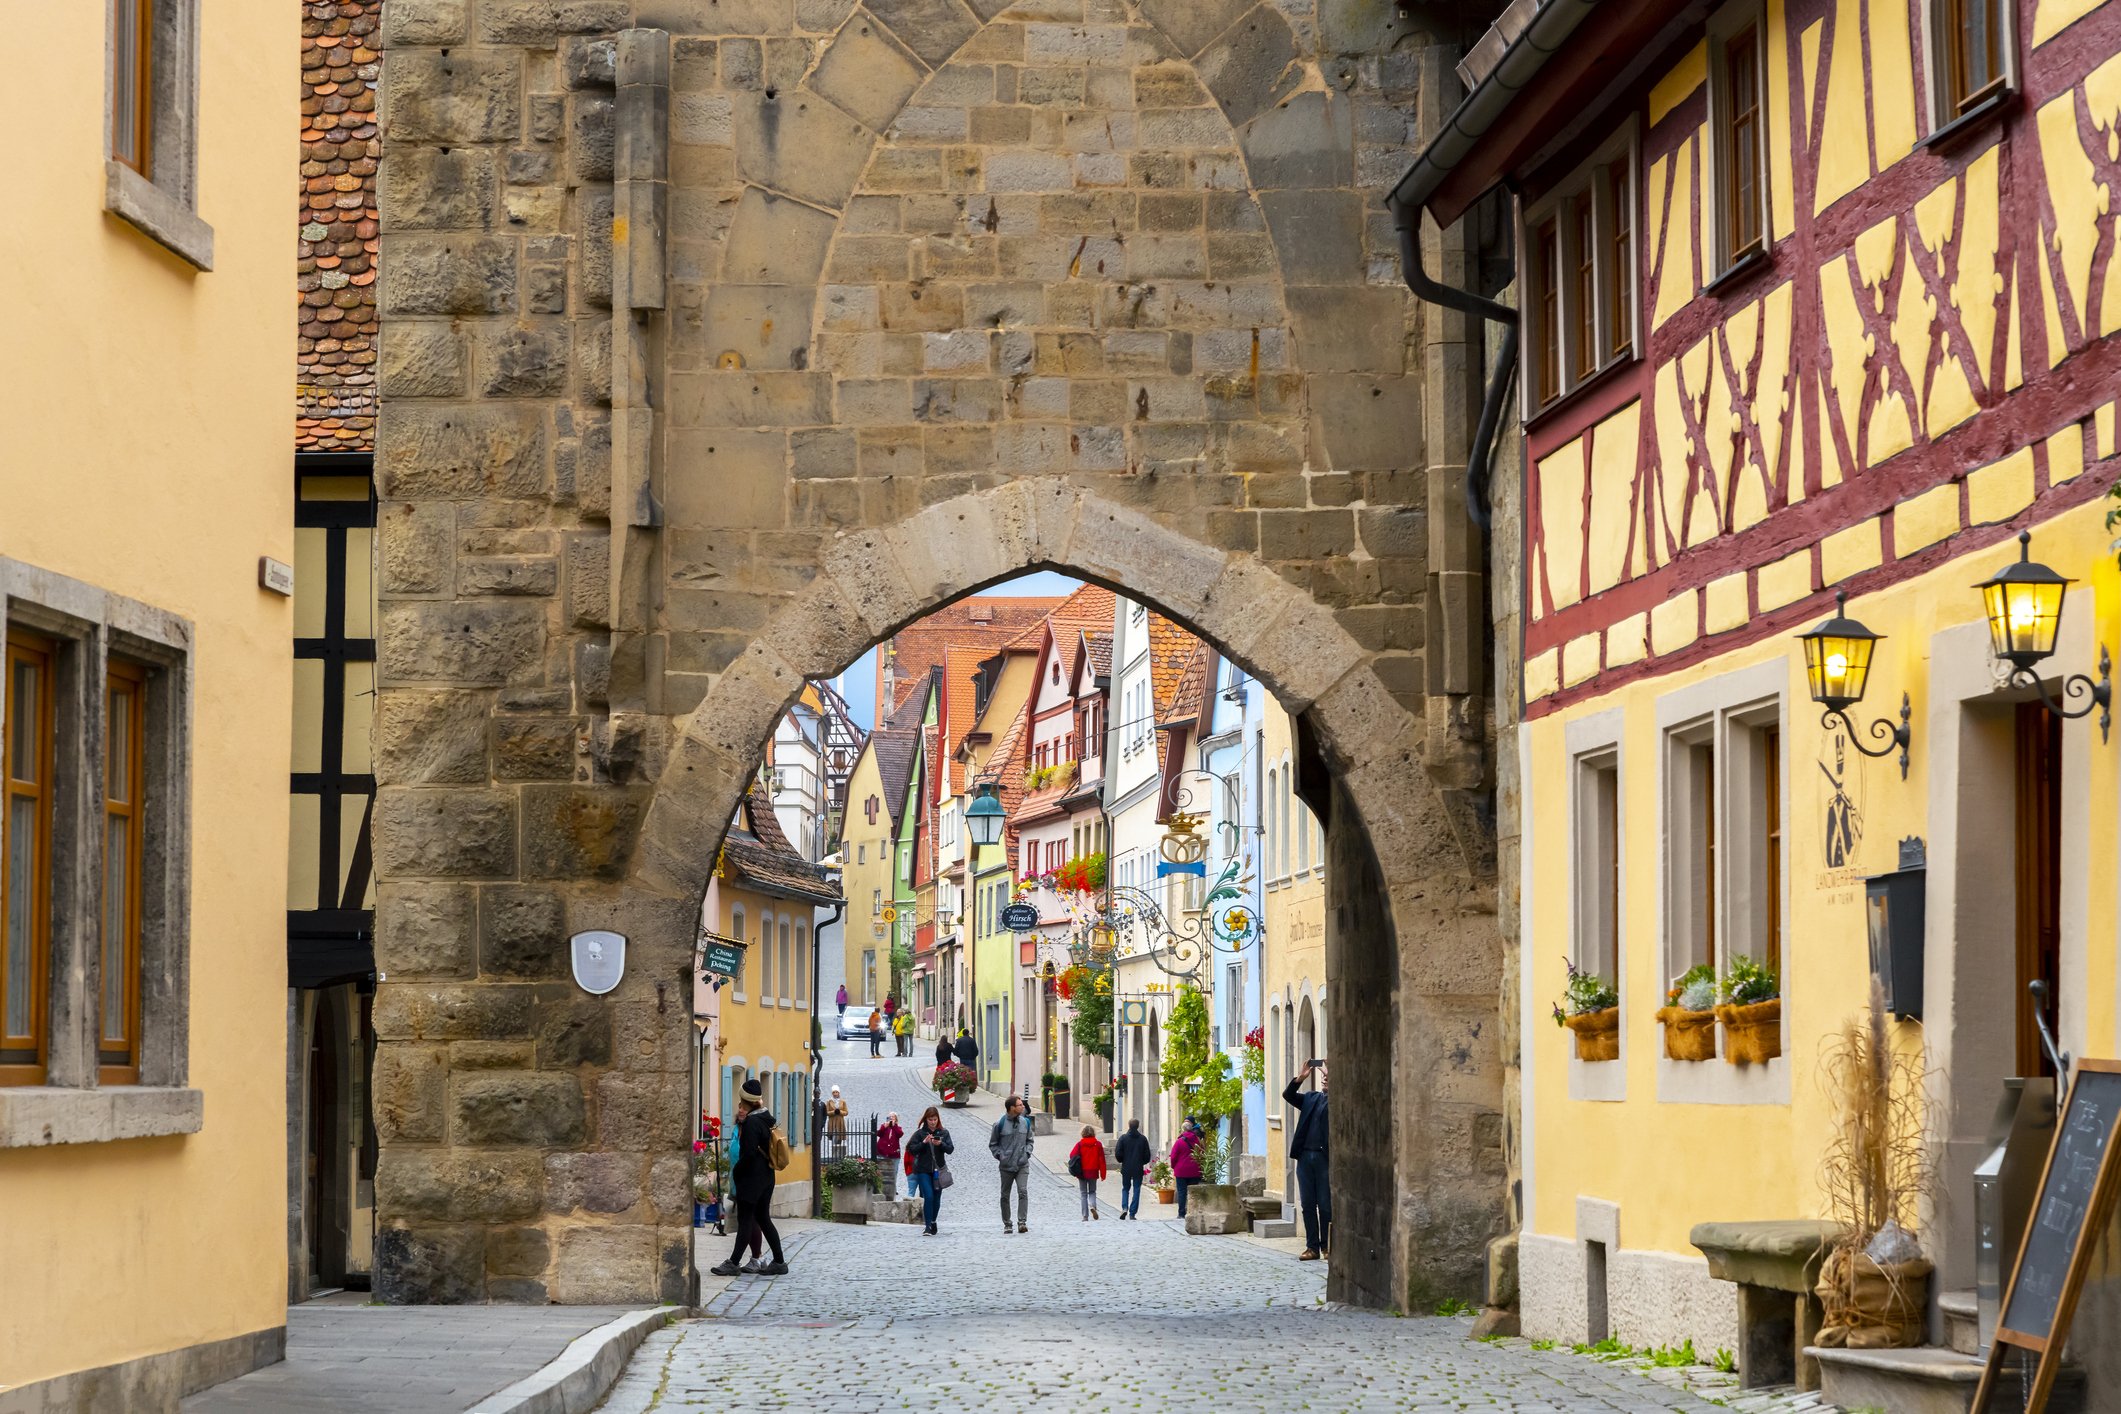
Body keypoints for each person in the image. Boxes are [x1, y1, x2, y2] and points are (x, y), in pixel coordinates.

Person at [709, 1078, 786, 1276]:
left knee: (745, 1220)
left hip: (752, 1179)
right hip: (766, 1177)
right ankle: (779, 1261)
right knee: (763, 1219)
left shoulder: (751, 1122)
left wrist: (737, 1171)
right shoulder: (766, 1118)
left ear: (745, 1100)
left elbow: (749, 1153)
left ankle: (733, 1263)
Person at [1283, 1059, 1331, 1260]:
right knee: (1308, 1204)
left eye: (1329, 1076)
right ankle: (1312, 1247)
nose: (1324, 1078)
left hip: (1324, 1158)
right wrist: (1300, 1078)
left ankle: (1327, 1246)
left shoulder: (1338, 1102)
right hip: (1304, 1157)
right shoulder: (1311, 1098)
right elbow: (1288, 1095)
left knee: (1325, 1204)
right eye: (1323, 1076)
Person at [989, 1095, 1036, 1234]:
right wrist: (1001, 1157)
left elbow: (1030, 1141)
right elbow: (993, 1144)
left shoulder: (1025, 1122)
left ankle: (1022, 1222)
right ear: (1012, 1108)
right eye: (1020, 1105)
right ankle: (1007, 1223)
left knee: (1023, 1191)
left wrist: (1027, 1154)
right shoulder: (999, 1124)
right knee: (1005, 1195)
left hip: (1022, 1164)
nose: (1023, 1107)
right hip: (1006, 1166)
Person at [906, 1105, 955, 1235]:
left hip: (938, 1170)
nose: (933, 1122)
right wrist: (923, 1143)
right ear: (925, 1120)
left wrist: (941, 1144)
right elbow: (911, 1149)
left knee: (936, 1198)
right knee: (928, 1196)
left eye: (935, 1120)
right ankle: (927, 1226)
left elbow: (950, 1149)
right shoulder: (920, 1133)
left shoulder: (944, 1133)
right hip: (923, 1169)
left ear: (938, 1119)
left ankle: (933, 1221)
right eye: (930, 1120)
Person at [1114, 1118, 1152, 1220]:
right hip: (1138, 1167)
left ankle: (1124, 1207)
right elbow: (1147, 1155)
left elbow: (1118, 1153)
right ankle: (1132, 1213)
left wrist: (1122, 1160)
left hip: (1126, 1167)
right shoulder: (1142, 1139)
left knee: (1125, 1188)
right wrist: (1142, 1162)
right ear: (1138, 1126)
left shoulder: (1123, 1138)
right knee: (1137, 1189)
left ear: (1129, 1126)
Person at [1070, 1125, 1108, 1221]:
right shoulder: (1098, 1144)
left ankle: (1085, 1216)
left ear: (1083, 1133)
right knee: (1092, 1191)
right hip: (1093, 1171)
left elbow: (1072, 1155)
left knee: (1083, 1193)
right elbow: (1102, 1160)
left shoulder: (1080, 1144)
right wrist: (1103, 1174)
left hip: (1082, 1172)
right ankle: (1092, 1205)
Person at [1170, 1117, 1205, 1217]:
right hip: (1194, 1170)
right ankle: (1192, 1212)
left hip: (1181, 1171)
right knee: (1193, 1192)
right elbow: (1202, 1154)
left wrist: (1173, 1166)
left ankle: (1181, 1213)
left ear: (1183, 1130)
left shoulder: (1179, 1142)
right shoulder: (1197, 1140)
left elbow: (1173, 1156)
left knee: (1181, 1192)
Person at [875, 1112, 904, 1201]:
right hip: (883, 1152)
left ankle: (893, 1189)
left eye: (893, 1117)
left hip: (894, 1154)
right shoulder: (883, 1126)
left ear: (896, 1119)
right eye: (890, 1117)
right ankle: (880, 1188)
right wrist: (884, 1126)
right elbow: (878, 1134)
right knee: (881, 1172)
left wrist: (893, 1126)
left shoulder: (898, 1128)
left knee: (894, 1172)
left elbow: (900, 1134)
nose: (891, 1118)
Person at [824, 1086, 848, 1157]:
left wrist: (840, 1112)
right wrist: (834, 1112)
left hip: (840, 1122)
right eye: (834, 1092)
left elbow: (846, 1112)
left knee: (839, 1138)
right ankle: (834, 1156)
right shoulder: (829, 1102)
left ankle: (839, 1156)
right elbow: (826, 1112)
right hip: (832, 1122)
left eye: (836, 1092)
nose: (835, 1094)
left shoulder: (843, 1102)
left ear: (838, 1093)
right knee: (833, 1138)